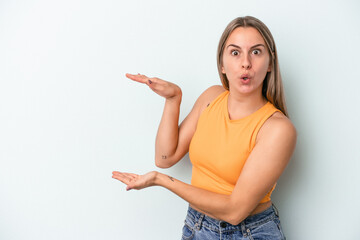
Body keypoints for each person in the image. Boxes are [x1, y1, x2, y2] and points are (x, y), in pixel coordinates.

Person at [112, 16, 296, 239]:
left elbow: (235, 211)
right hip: (196, 226)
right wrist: (173, 100)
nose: (245, 62)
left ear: (269, 63)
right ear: (222, 64)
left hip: (249, 233)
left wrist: (160, 180)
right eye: (235, 52)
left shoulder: (277, 129)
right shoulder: (212, 97)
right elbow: (164, 157)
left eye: (256, 52)